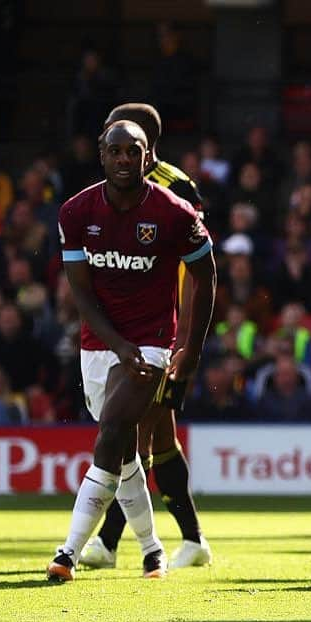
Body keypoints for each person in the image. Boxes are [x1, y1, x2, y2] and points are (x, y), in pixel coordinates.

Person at [46, 121, 216, 582]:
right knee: (125, 454)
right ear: (101, 155)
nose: (124, 159)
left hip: (151, 343)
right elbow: (81, 294)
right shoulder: (75, 212)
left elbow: (207, 273)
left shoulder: (174, 208)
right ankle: (152, 548)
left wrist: (189, 351)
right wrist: (116, 345)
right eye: (114, 151)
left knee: (116, 432)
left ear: (148, 155)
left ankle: (69, 553)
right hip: (101, 345)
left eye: (132, 151)